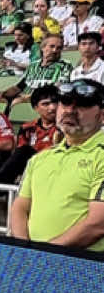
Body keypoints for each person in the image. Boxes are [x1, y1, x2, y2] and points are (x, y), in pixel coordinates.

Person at [10, 79, 104, 251]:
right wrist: (24, 248)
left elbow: (97, 225)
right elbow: (20, 207)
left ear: (102, 114)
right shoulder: (40, 158)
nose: (70, 110)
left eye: (82, 105)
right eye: (65, 102)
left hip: (84, 267)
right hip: (35, 262)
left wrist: (45, 254)